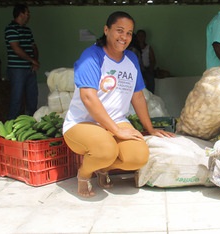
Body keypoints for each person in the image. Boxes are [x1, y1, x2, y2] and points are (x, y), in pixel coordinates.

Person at [63, 11, 175, 198]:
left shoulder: (131, 59)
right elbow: (88, 97)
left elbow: (138, 97)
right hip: (83, 123)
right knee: (106, 150)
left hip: (116, 121)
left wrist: (151, 129)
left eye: (129, 33)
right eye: (119, 30)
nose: (124, 37)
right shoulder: (92, 56)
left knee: (138, 157)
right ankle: (84, 174)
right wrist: (117, 130)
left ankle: (101, 167)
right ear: (106, 30)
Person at [5, 4, 40, 120]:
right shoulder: (10, 29)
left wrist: (35, 61)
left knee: (32, 97)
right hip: (17, 69)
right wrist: (32, 60)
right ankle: (12, 124)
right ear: (21, 14)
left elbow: (34, 47)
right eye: (27, 12)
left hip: (30, 68)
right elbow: (16, 49)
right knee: (17, 98)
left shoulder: (27, 30)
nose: (29, 15)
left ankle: (31, 123)